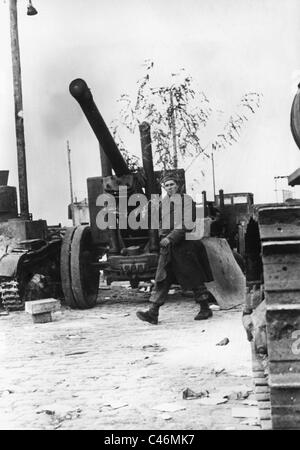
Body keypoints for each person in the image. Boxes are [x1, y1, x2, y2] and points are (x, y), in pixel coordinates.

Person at [136, 173, 216, 325]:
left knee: (193, 278)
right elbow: (156, 221)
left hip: (185, 245)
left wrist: (171, 237)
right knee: (162, 278)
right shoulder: (163, 203)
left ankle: (205, 308)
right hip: (168, 247)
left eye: (172, 184)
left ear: (178, 186)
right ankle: (153, 312)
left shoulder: (187, 201)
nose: (170, 187)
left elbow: (187, 223)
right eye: (167, 185)